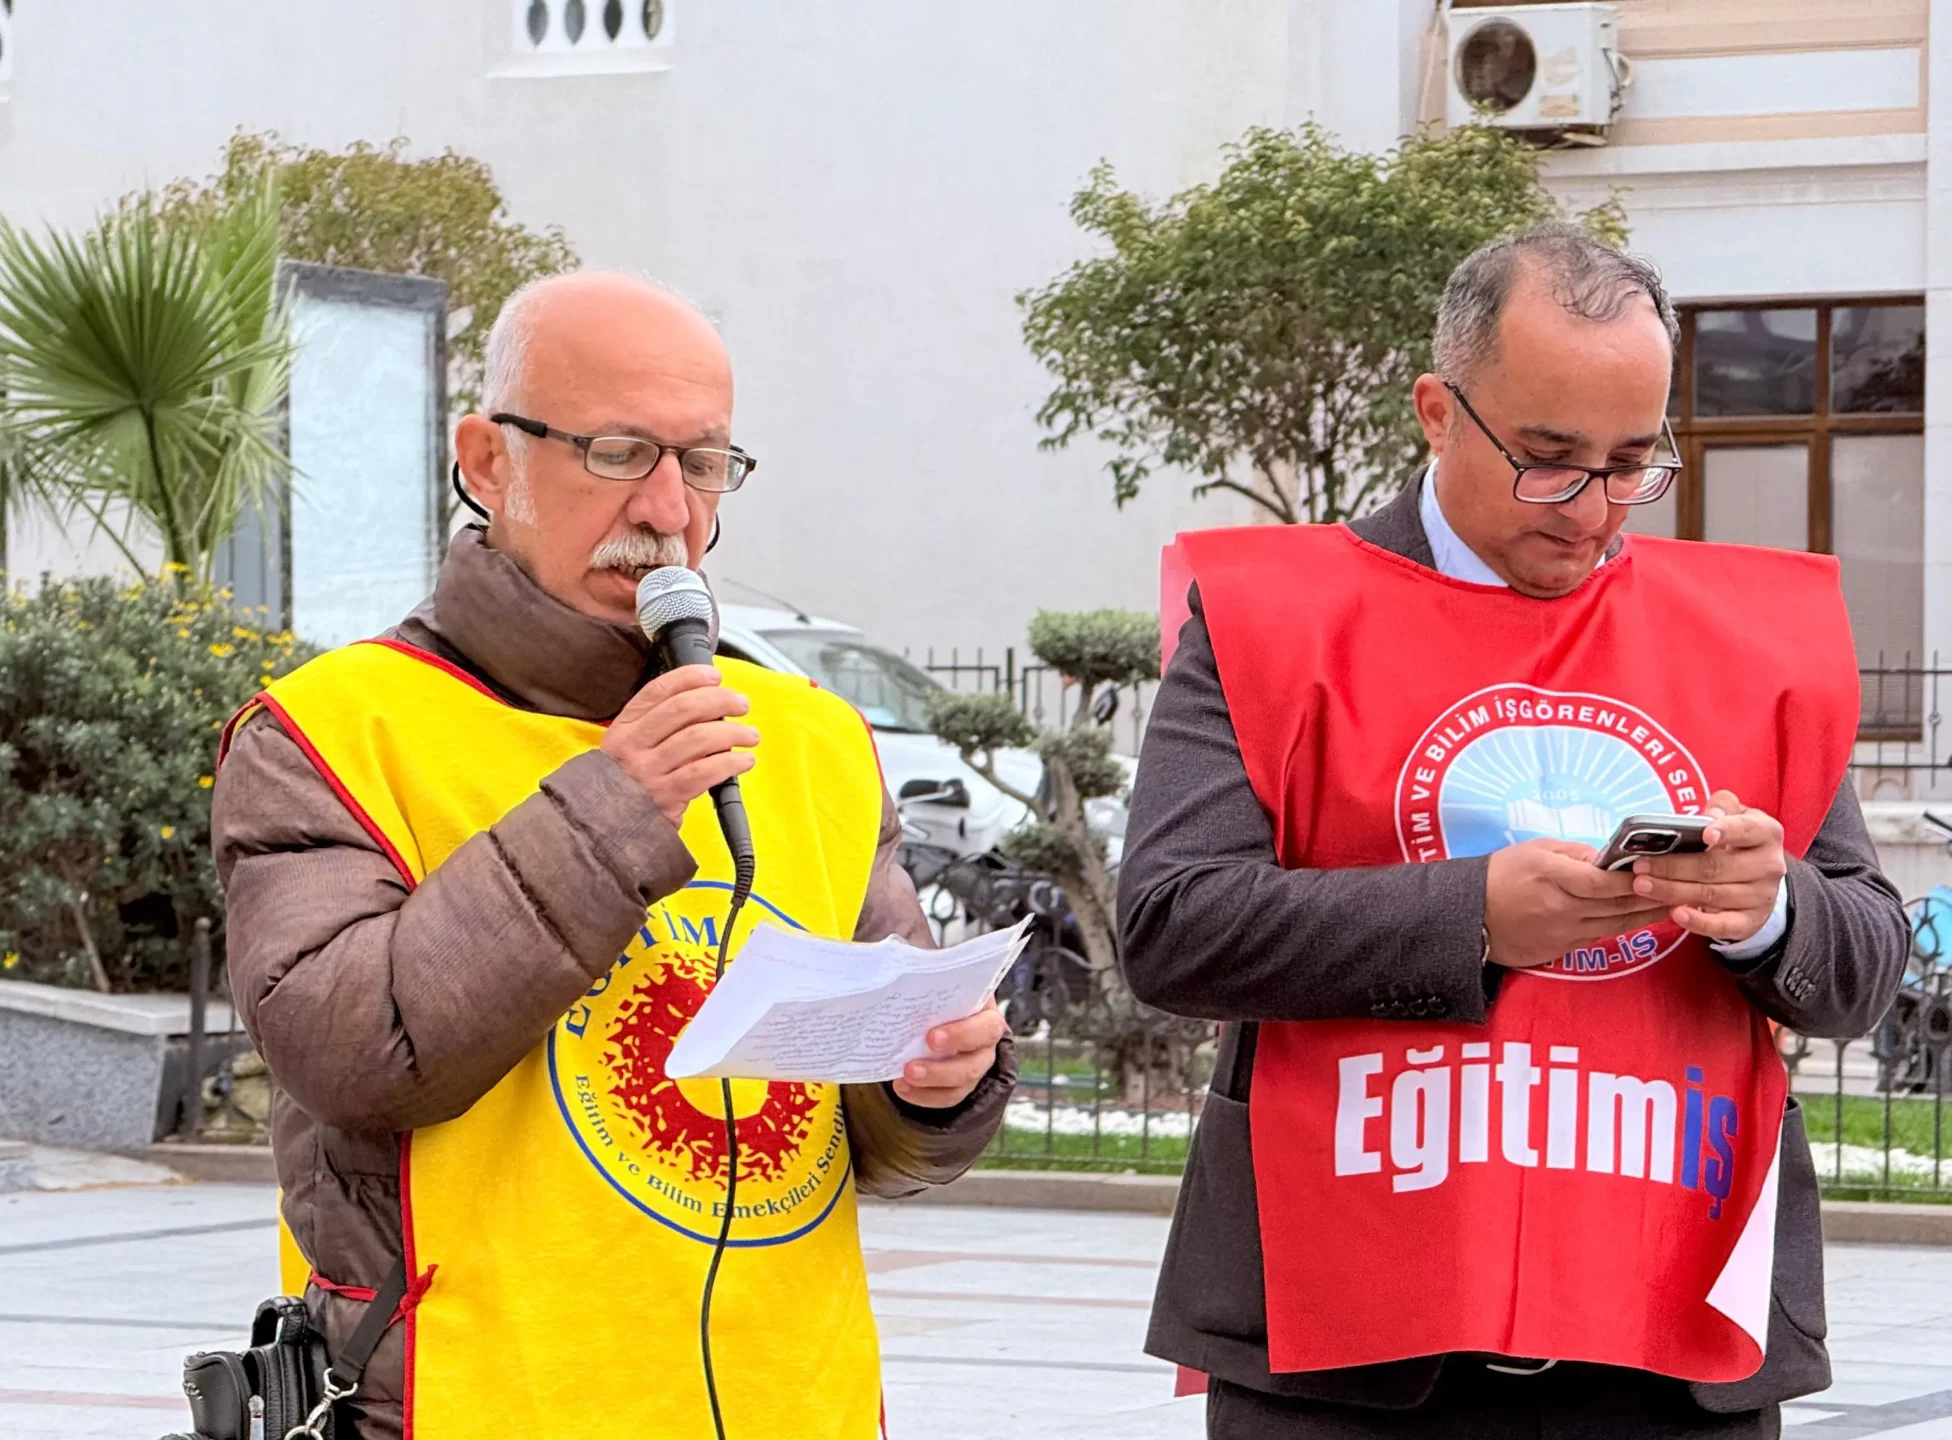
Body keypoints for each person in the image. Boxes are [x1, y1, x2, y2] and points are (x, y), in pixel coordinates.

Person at [1122, 225, 1908, 1437]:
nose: (1590, 509)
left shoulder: (1752, 644)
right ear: (1438, 412)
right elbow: (1172, 925)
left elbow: (1862, 963)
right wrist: (1471, 916)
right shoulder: (1267, 618)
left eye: (1631, 462)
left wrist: (1771, 909)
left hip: (1668, 1341)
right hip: (1347, 1348)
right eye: (1546, 461)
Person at [212, 271, 1015, 1440]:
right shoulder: (331, 733)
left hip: (798, 1403)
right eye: (618, 451)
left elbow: (879, 1137)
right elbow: (350, 1053)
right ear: (487, 461)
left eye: (704, 462)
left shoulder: (813, 740)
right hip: (473, 1405)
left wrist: (931, 1085)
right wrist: (613, 803)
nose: (668, 508)